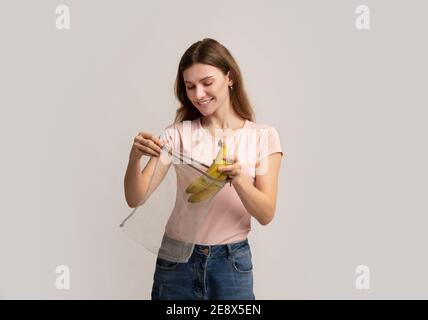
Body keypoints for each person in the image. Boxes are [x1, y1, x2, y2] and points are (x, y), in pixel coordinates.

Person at [124, 38, 284, 300]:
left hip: (231, 263)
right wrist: (134, 159)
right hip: (176, 260)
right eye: (190, 87)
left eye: (207, 83)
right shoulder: (178, 135)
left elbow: (266, 214)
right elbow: (135, 198)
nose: (198, 94)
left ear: (229, 77)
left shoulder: (263, 137)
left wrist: (239, 179)